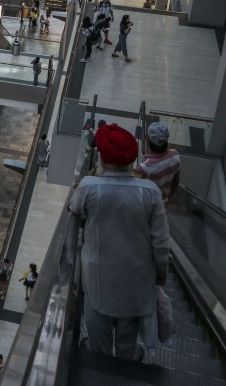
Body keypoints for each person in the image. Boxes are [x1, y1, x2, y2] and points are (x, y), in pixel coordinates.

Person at [69, 123, 169, 360]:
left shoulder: (89, 188)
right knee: (127, 336)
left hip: (98, 281)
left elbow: (73, 209)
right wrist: (161, 270)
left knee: (98, 336)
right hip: (136, 282)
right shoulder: (150, 192)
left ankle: (100, 365)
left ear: (102, 157)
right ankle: (126, 361)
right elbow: (161, 242)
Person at [135, 122, 181, 204]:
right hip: (164, 204)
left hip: (147, 209)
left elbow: (133, 192)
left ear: (148, 142)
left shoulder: (143, 168)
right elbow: (175, 181)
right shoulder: (175, 155)